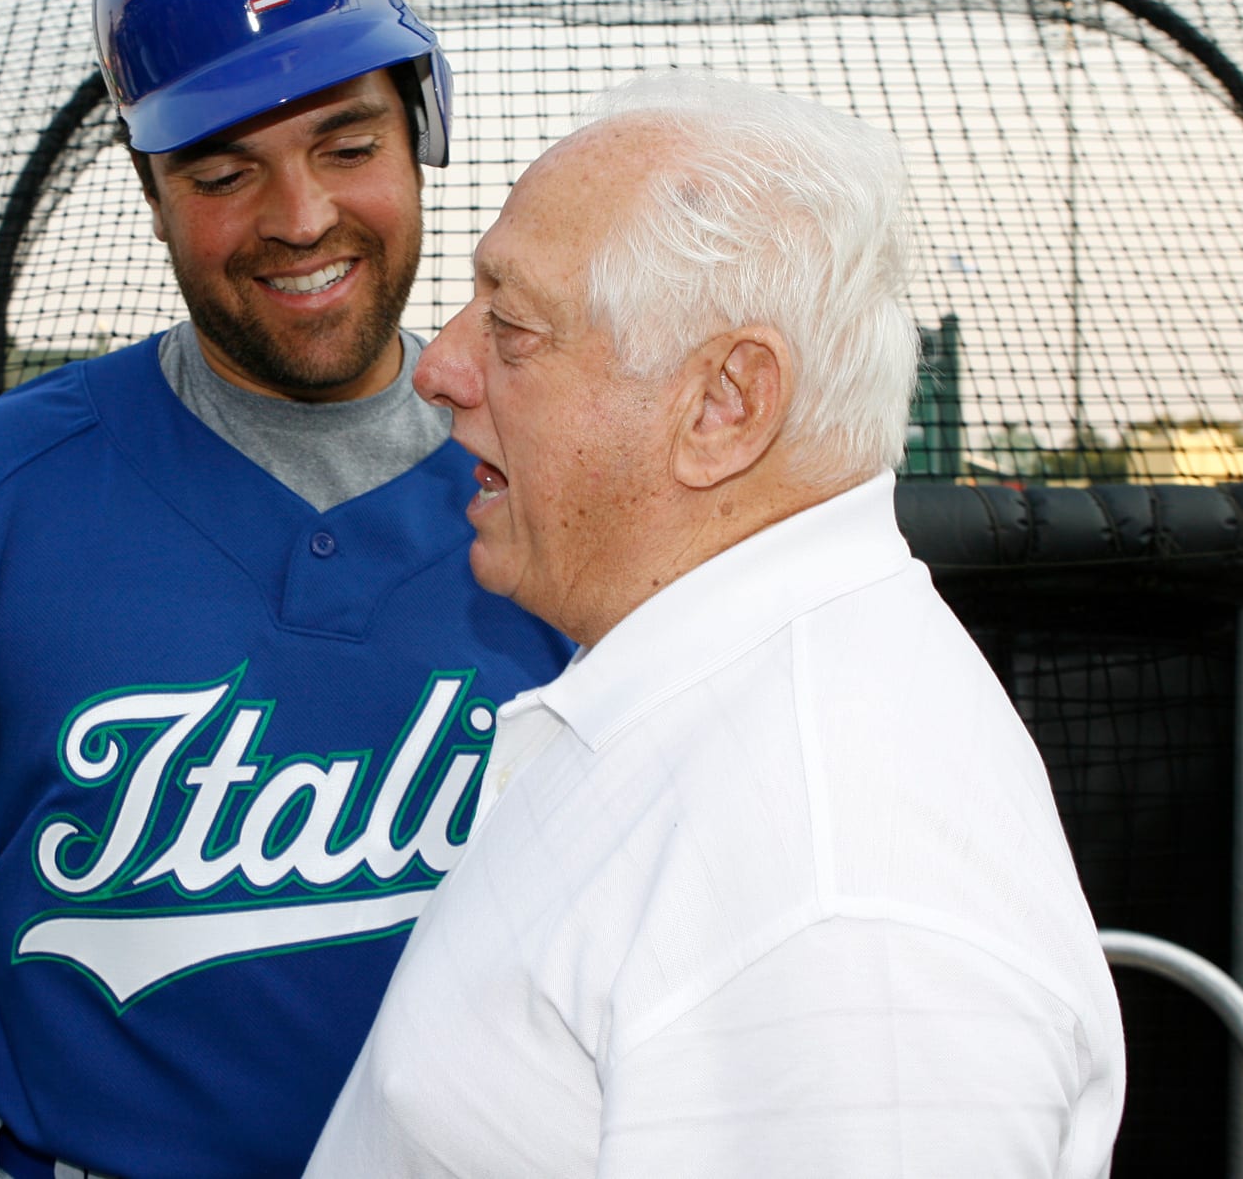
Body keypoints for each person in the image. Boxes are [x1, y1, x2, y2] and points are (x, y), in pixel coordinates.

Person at [0, 0, 571, 1179]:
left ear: (421, 125)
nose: (301, 217)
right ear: (151, 185)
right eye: (226, 167)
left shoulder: (579, 489)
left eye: (347, 143)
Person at [309, 70, 1126, 1176]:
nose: (439, 367)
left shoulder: (839, 898)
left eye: (510, 323)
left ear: (723, 404)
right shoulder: (709, 704)